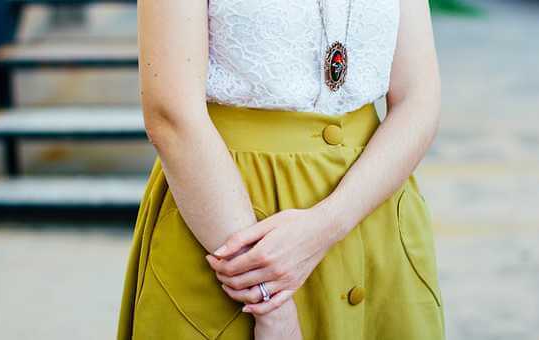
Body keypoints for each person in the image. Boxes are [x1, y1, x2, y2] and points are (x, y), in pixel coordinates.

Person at [118, 0, 445, 339]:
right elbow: (171, 116)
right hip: (230, 224)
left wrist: (330, 223)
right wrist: (269, 302)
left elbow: (419, 97)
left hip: (372, 209)